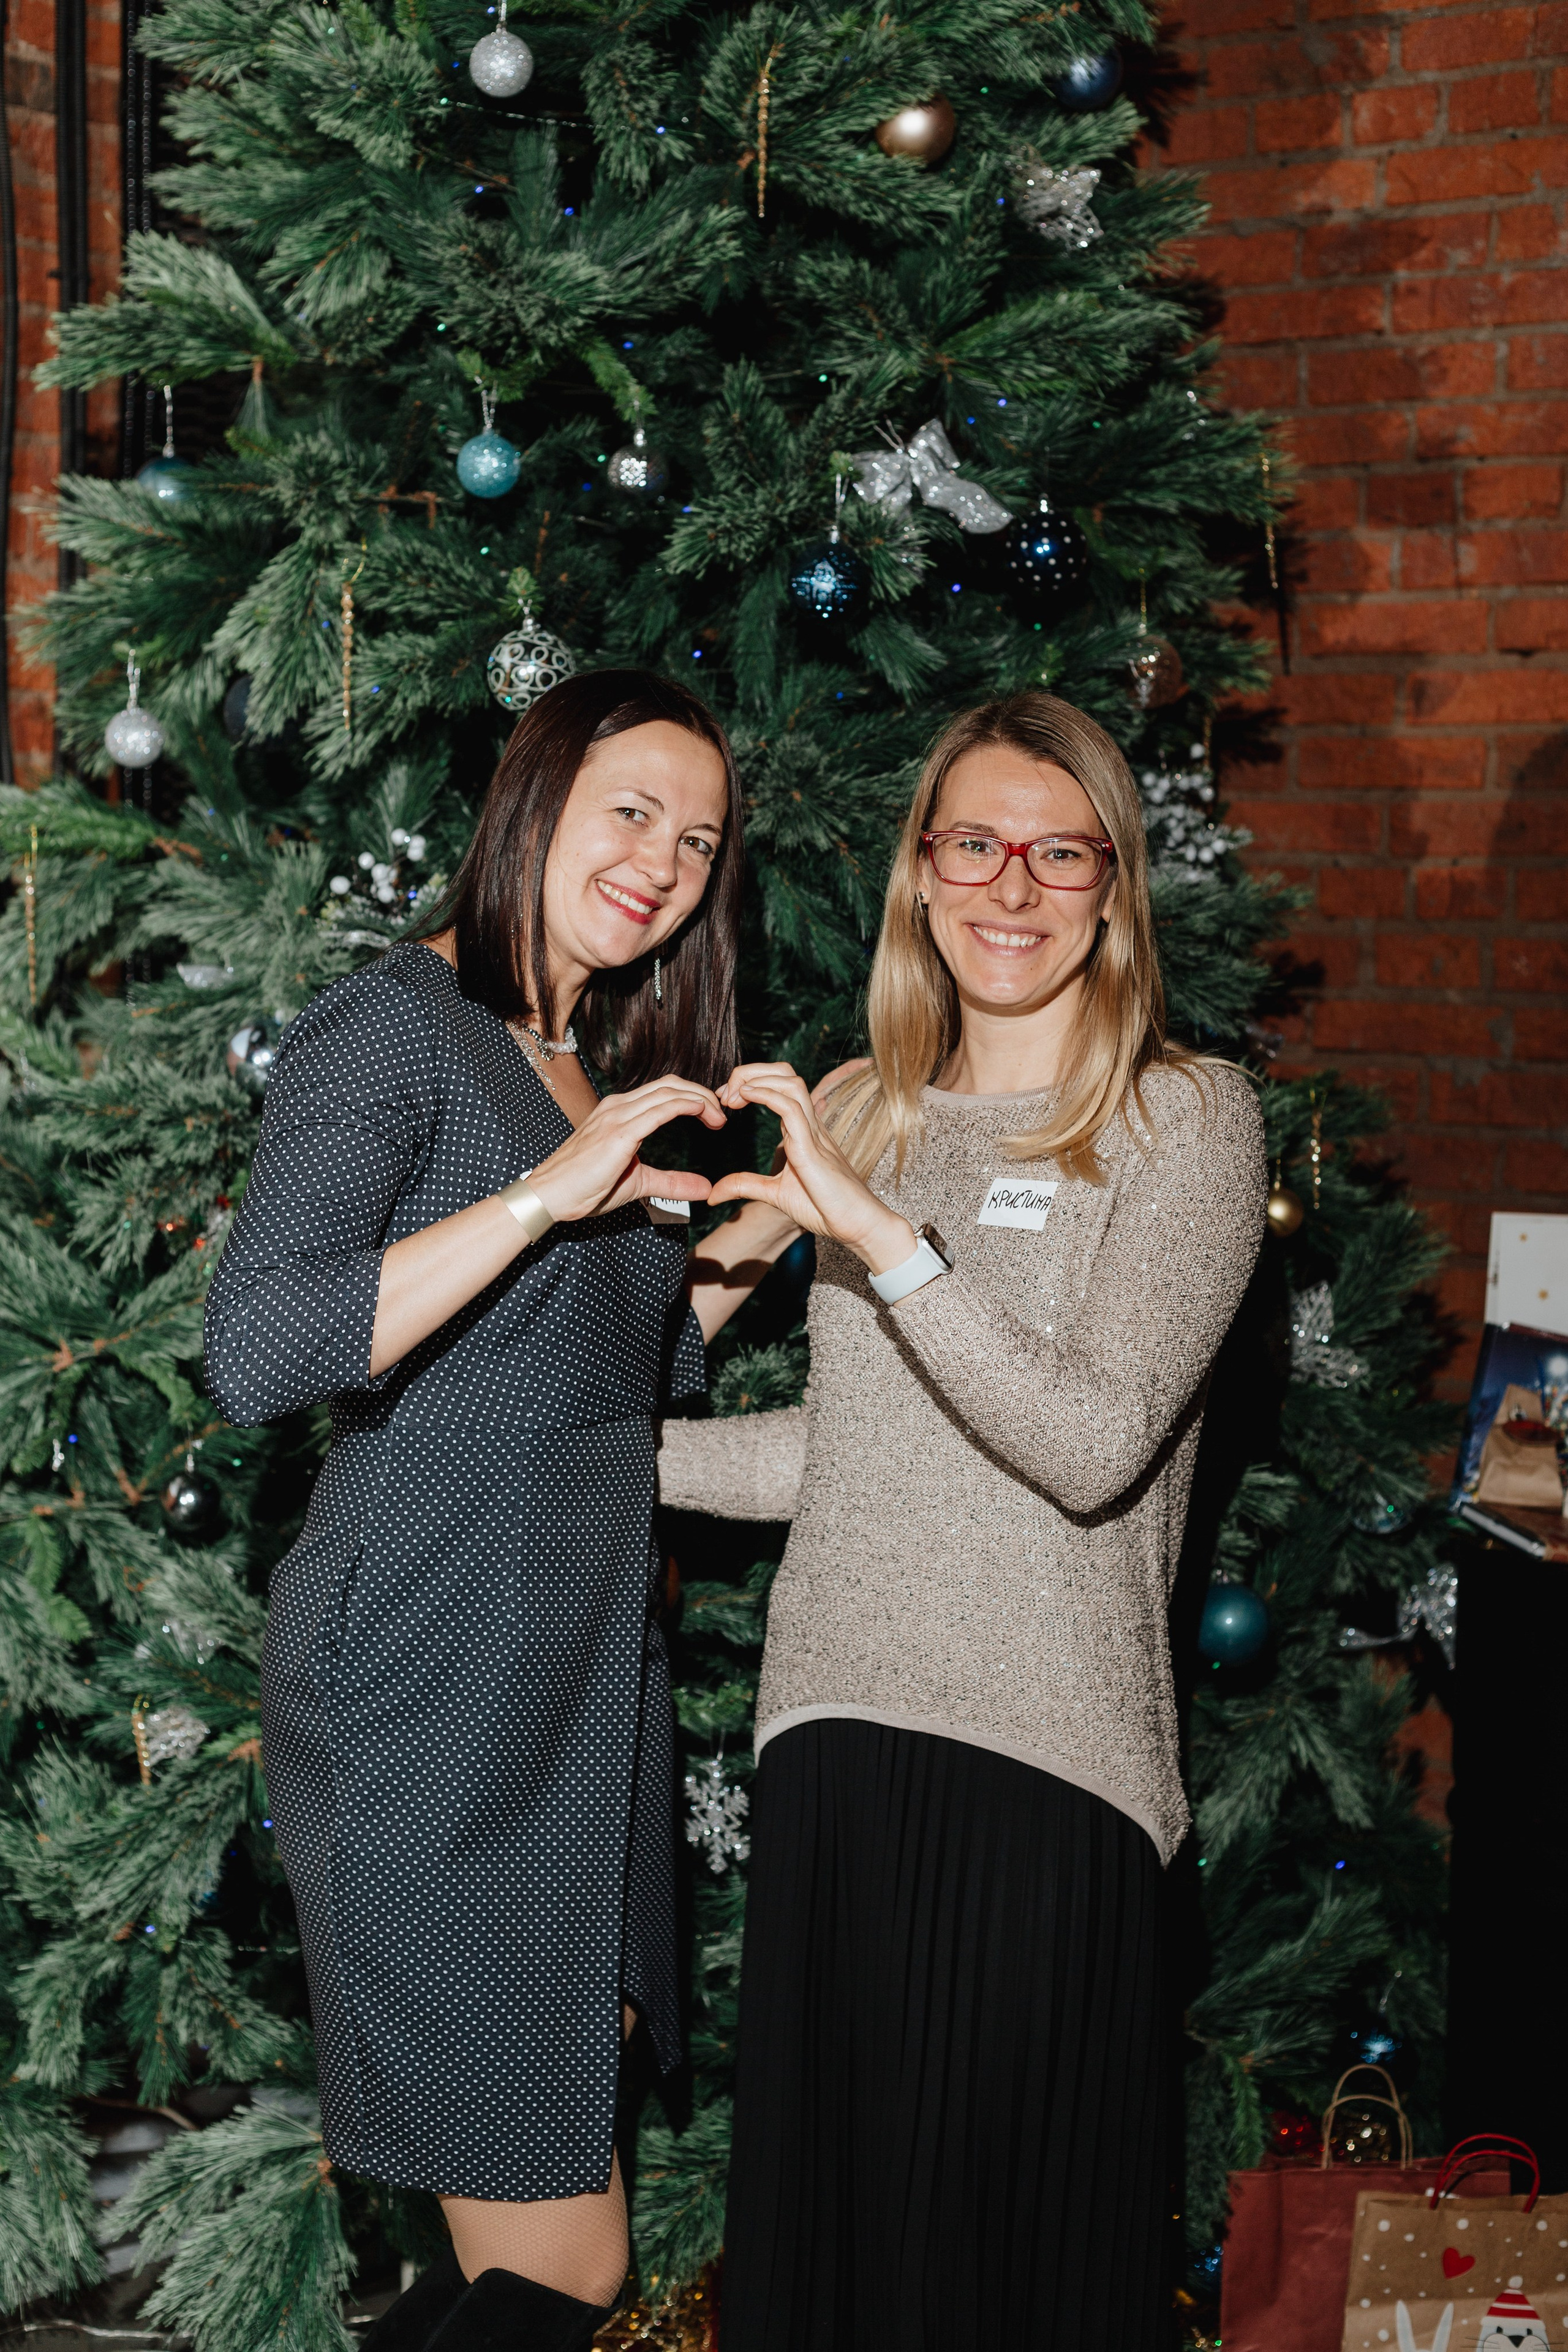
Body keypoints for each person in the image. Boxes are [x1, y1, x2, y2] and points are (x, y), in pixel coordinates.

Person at [662, 690, 1266, 2351]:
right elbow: (848, 1458)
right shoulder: (862, 1104)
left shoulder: (1183, 1120)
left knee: (1008, 2281)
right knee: (829, 2273)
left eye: (1061, 852)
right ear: (921, 874)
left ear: (1112, 886)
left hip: (1051, 1766)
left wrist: (875, 1230)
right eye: (978, 844)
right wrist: (605, 1444)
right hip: (836, 1733)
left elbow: (1089, 1445)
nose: (1016, 886)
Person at [204, 671, 745, 2352]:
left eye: (702, 841)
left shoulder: (584, 1061)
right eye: (632, 809)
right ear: (536, 797)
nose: (665, 860)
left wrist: (742, 1253)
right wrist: (542, 1196)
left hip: (579, 1685)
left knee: (531, 2252)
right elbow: (260, 1347)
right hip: (428, 1673)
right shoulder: (396, 1026)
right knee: (556, 2268)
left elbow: (590, 1383)